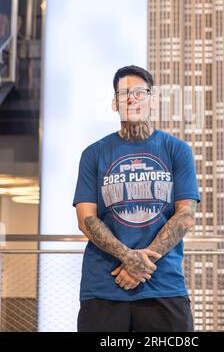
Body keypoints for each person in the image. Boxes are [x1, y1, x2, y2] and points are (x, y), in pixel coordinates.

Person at [73, 65, 201, 332]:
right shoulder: (93, 154)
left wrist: (140, 265)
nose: (131, 98)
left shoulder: (177, 150)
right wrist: (129, 257)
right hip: (104, 287)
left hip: (163, 285)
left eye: (139, 92)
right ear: (114, 103)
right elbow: (86, 220)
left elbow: (185, 216)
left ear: (152, 100)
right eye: (123, 94)